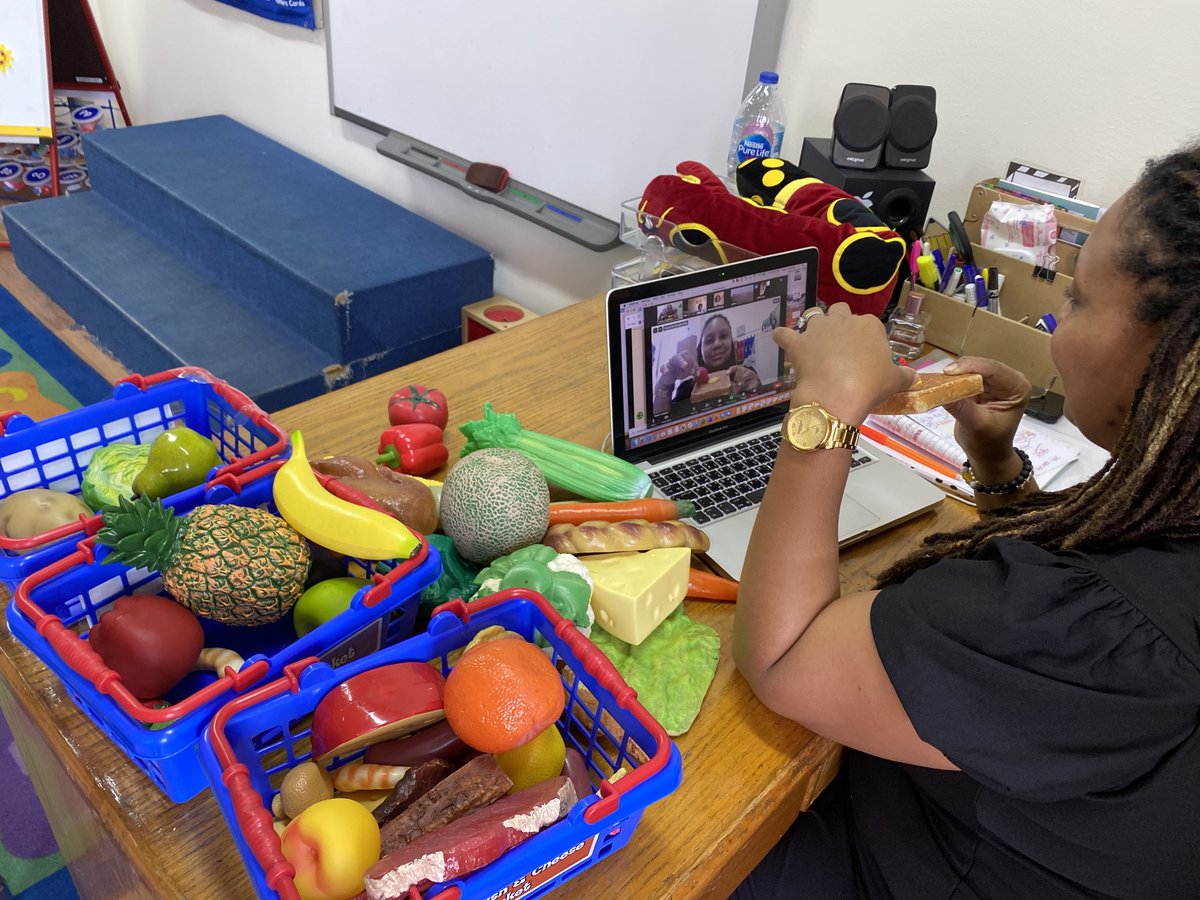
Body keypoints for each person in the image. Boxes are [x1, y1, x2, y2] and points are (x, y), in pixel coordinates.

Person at [731, 142, 1200, 900]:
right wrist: (995, 463)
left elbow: (782, 658)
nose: (1054, 324)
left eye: (1077, 300)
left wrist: (824, 407)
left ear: (1174, 355)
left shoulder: (1112, 637)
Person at [697, 313, 761, 393]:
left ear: (731, 342)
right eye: (709, 340)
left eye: (723, 336)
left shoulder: (747, 375)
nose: (717, 344)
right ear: (700, 349)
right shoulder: (689, 387)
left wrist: (757, 388)